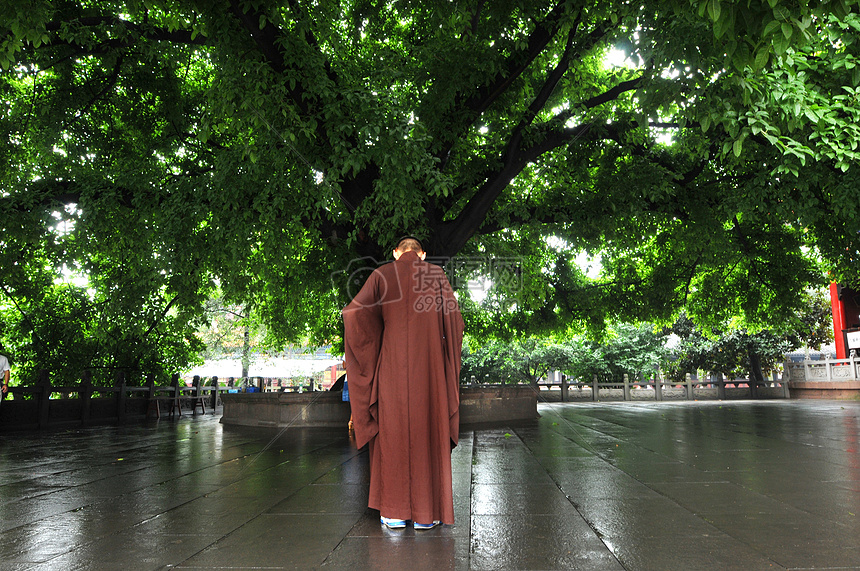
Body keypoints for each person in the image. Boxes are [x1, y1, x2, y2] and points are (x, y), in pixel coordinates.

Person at [342, 235, 464, 530]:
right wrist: (443, 355)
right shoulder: (435, 276)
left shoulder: (381, 274)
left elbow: (354, 314)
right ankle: (429, 514)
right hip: (430, 370)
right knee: (428, 431)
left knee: (393, 433)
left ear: (396, 253)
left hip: (392, 369)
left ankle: (394, 513)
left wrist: (377, 344)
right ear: (421, 254)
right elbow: (456, 323)